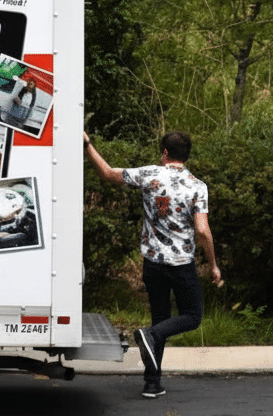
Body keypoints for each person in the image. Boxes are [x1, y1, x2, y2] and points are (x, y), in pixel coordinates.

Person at [84, 130, 222, 399]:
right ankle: (150, 338)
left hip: (153, 264)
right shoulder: (197, 185)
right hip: (182, 265)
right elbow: (203, 230)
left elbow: (109, 174)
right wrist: (214, 264)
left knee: (160, 318)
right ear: (186, 156)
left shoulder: (149, 175)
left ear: (165, 153)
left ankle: (152, 383)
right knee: (192, 316)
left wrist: (88, 145)